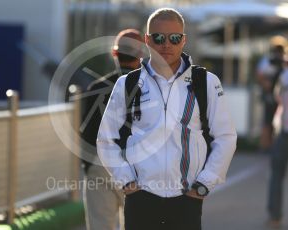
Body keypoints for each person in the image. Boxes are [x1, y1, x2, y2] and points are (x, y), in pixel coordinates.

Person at [97, 8, 237, 230]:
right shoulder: (127, 84)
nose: (166, 44)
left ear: (183, 40)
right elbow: (106, 139)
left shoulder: (206, 82)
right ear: (147, 40)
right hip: (140, 198)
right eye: (158, 37)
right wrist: (126, 181)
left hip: (187, 199)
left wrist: (203, 185)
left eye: (174, 38)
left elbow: (226, 137)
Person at [80, 29, 144, 230]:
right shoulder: (151, 88)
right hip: (137, 168)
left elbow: (86, 132)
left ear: (115, 54)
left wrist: (88, 166)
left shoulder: (96, 88)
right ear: (140, 55)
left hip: (99, 164)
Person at [267, 46, 288, 229]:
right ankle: (274, 214)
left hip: (283, 131)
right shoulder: (283, 76)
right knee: (276, 175)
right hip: (283, 131)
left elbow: (278, 98)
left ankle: (275, 216)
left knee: (276, 175)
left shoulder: (283, 76)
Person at [256, 36, 287, 152]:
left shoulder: (273, 60)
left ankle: (271, 146)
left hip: (277, 95)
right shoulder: (269, 60)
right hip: (271, 95)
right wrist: (267, 84)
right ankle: (266, 146)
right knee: (268, 121)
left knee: (273, 121)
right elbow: (259, 75)